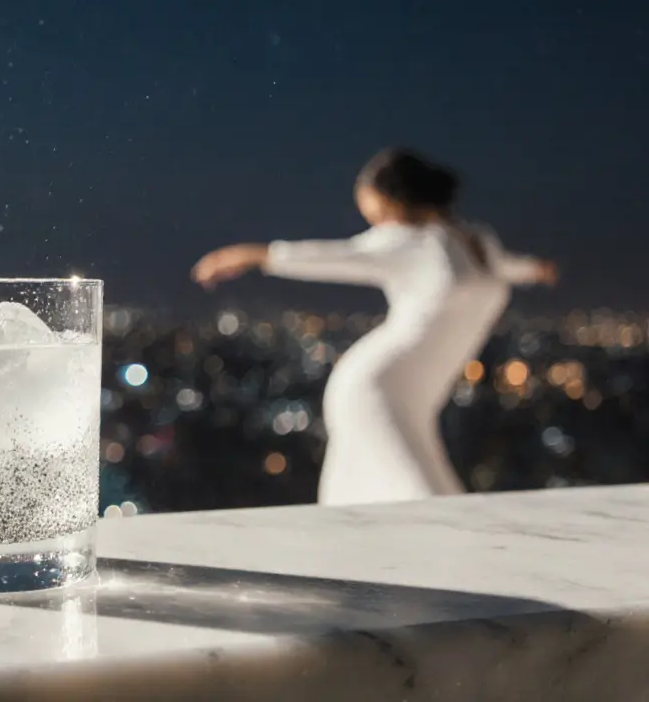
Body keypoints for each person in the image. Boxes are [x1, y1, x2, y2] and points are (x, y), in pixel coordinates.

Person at [191, 148, 558, 506]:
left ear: (397, 199)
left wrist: (536, 270)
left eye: (375, 207)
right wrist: (257, 255)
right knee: (429, 503)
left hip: (417, 398)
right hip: (373, 389)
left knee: (427, 502)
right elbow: (339, 256)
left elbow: (501, 269)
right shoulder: (403, 242)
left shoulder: (472, 240)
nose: (373, 219)